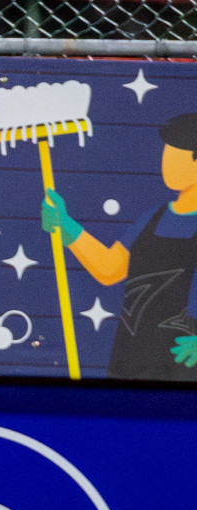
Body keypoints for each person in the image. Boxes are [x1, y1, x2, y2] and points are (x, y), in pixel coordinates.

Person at [44, 111, 197, 381]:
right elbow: (110, 269)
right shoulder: (155, 215)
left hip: (179, 367)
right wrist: (66, 226)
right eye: (166, 155)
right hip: (129, 361)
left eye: (175, 157)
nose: (166, 164)